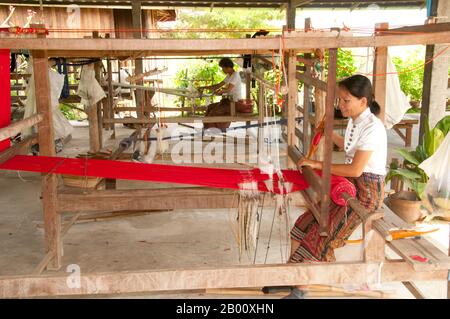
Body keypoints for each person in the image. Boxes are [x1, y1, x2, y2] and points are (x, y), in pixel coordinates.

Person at [284, 74, 387, 298]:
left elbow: (355, 169)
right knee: (302, 224)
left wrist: (317, 164)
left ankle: (300, 291)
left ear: (363, 102)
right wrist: (329, 134)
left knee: (321, 234)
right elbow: (350, 147)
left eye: (346, 100)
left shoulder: (373, 128)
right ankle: (292, 276)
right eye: (340, 99)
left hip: (365, 195)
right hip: (349, 188)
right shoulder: (355, 121)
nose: (340, 105)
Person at [198, 58, 244, 130]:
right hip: (228, 101)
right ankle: (206, 128)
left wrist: (220, 91)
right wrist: (204, 87)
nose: (222, 70)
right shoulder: (229, 75)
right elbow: (218, 86)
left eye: (223, 68)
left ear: (228, 67)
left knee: (214, 112)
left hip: (234, 103)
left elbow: (228, 89)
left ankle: (213, 129)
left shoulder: (235, 75)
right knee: (210, 107)